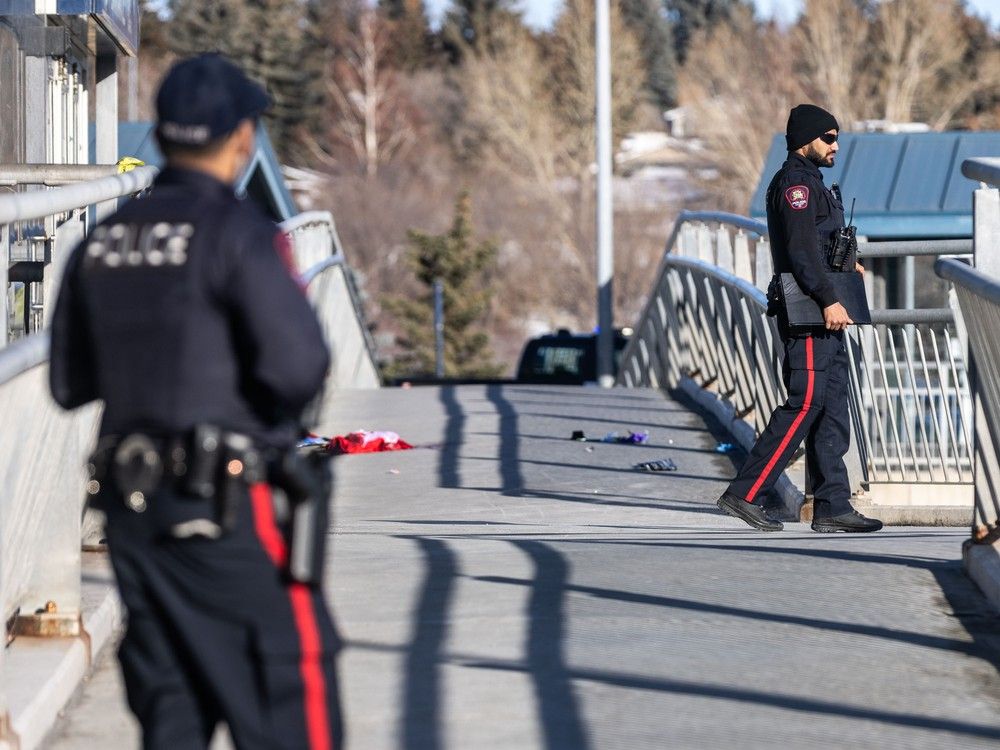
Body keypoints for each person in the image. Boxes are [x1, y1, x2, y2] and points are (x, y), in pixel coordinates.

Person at [49, 54, 344, 749]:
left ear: (162, 133)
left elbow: (68, 385)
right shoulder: (238, 235)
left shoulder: (104, 239)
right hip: (229, 513)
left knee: (171, 709)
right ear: (243, 136)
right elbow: (300, 368)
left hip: (132, 519)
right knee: (286, 693)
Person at [716, 103, 882, 534]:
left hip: (825, 310)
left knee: (832, 405)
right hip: (810, 313)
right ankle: (745, 493)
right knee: (805, 401)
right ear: (806, 139)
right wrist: (829, 298)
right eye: (829, 137)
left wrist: (848, 269)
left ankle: (832, 506)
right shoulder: (796, 185)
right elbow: (801, 253)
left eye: (837, 137)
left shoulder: (814, 183)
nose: (836, 146)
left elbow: (820, 245)